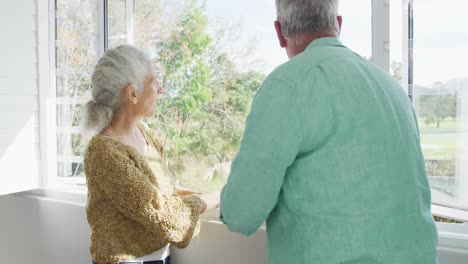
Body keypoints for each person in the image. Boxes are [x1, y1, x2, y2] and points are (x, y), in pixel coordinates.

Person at [219, 0, 438, 263]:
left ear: (279, 32)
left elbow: (241, 213)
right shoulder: (391, 87)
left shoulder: (288, 86)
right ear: (339, 24)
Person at [82, 45, 220, 264]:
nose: (161, 90)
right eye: (154, 82)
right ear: (132, 93)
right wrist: (218, 197)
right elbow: (163, 214)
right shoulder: (104, 152)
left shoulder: (145, 133)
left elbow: (161, 191)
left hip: (161, 257)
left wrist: (201, 195)